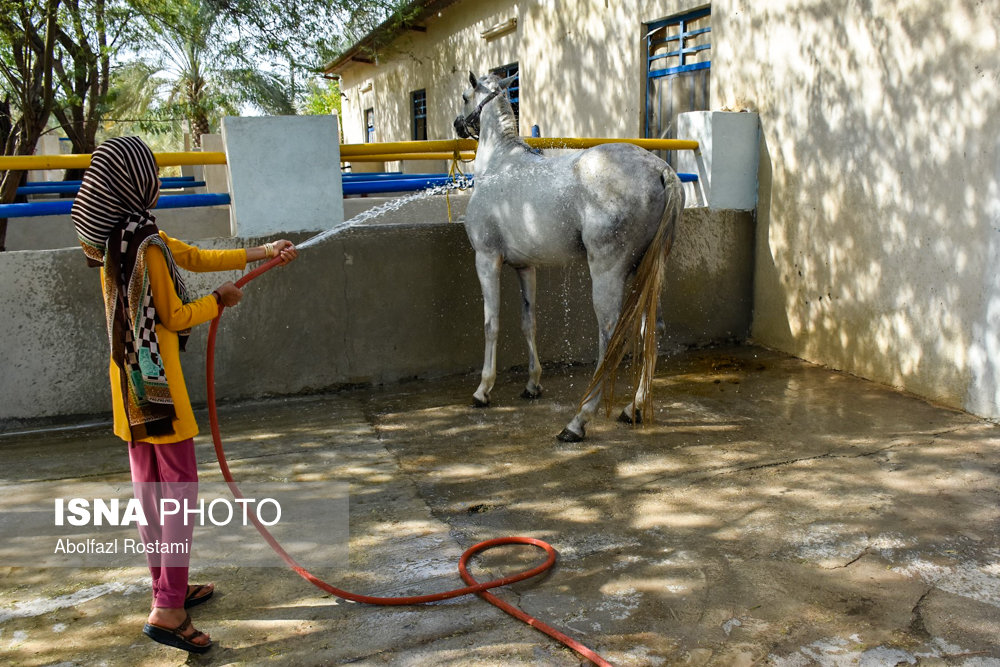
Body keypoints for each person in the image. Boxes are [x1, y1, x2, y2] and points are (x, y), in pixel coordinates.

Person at [71, 136, 297, 654]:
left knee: (151, 496)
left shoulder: (117, 238)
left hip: (127, 390)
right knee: (177, 497)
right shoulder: (144, 242)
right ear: (137, 181)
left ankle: (168, 590)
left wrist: (262, 251)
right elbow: (174, 316)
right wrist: (220, 301)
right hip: (160, 392)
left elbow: (191, 255)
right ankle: (168, 610)